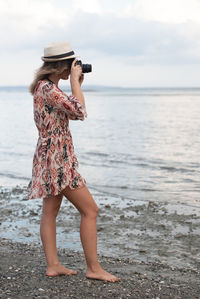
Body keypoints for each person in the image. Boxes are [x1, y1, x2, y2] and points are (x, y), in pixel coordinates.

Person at [27, 42, 120, 282]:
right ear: (61, 66)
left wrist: (75, 85)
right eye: (72, 64)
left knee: (50, 212)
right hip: (58, 159)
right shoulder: (49, 88)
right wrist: (75, 84)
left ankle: (53, 265)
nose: (74, 68)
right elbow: (80, 112)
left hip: (50, 155)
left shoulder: (46, 87)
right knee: (90, 210)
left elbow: (71, 113)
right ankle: (93, 268)